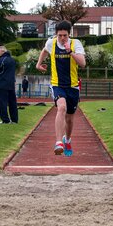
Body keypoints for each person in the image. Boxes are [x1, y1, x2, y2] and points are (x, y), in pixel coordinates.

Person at [36, 20, 86, 156]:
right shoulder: (51, 43)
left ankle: (67, 139)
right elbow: (44, 51)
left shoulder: (76, 44)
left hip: (73, 86)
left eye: (65, 35)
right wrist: (38, 64)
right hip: (57, 84)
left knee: (69, 119)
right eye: (60, 35)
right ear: (56, 34)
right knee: (61, 107)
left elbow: (82, 63)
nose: (62, 38)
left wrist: (70, 52)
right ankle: (58, 142)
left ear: (69, 34)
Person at [0, 46, 18, 124]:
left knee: (2, 102)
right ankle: (14, 120)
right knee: (12, 102)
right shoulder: (13, 60)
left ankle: (5, 120)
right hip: (11, 83)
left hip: (3, 83)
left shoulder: (2, 60)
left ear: (3, 52)